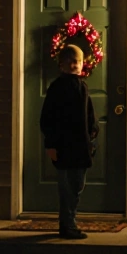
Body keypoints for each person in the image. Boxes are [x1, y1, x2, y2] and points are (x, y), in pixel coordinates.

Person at [39, 44, 99, 239]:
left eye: (78, 62)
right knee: (66, 187)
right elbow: (47, 118)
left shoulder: (82, 87)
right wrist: (50, 144)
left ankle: (70, 220)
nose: (75, 65)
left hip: (81, 145)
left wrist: (93, 129)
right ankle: (67, 224)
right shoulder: (57, 88)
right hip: (63, 146)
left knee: (77, 185)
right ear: (62, 65)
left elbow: (89, 113)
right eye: (70, 62)